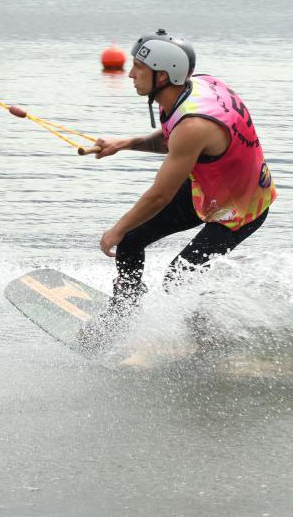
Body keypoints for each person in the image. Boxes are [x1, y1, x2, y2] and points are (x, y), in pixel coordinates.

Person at [86, 29, 276, 350]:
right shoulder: (187, 89)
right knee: (134, 240)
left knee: (179, 277)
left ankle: (207, 343)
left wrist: (115, 230)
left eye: (139, 69)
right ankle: (123, 313)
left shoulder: (194, 124)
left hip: (241, 208)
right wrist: (124, 144)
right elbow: (174, 139)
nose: (130, 74)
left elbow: (159, 195)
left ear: (163, 75)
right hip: (209, 188)